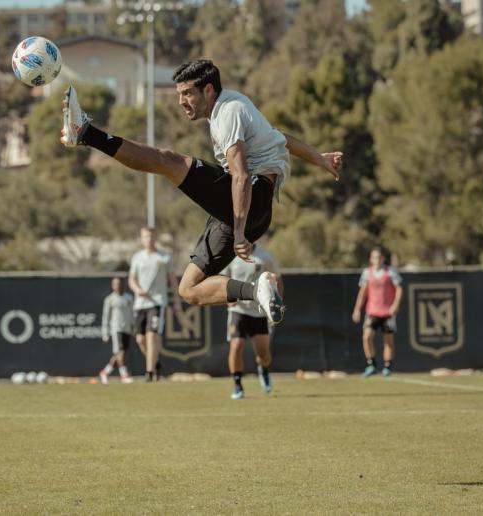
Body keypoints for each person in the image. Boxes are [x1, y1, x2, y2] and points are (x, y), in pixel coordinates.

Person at [60, 59, 342, 324]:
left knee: (169, 161)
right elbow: (281, 138)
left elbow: (241, 175)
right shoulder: (233, 106)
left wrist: (240, 231)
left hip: (248, 200)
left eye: (187, 93)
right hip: (251, 211)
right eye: (179, 94)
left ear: (208, 90)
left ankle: (86, 133)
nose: (181, 101)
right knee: (189, 288)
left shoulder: (228, 112)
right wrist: (320, 158)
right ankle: (258, 292)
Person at [222, 244, 282, 400]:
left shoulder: (264, 256)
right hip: (238, 310)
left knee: (263, 353)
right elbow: (222, 280)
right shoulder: (231, 256)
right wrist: (228, 300)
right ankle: (237, 385)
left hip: (259, 310)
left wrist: (276, 304)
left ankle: (264, 369)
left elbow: (277, 279)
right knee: (236, 346)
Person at [128, 226, 180, 382]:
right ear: (141, 239)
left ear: (155, 238)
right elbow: (132, 279)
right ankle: (155, 363)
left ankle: (149, 373)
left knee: (152, 337)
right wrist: (137, 289)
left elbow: (172, 281)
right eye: (145, 237)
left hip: (157, 302)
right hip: (140, 303)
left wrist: (176, 301)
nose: (148, 239)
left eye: (151, 236)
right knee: (140, 340)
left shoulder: (164, 257)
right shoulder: (137, 257)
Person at [351, 246, 403, 377]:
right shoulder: (367, 273)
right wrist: (357, 309)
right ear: (370, 259)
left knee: (388, 340)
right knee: (367, 336)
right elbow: (363, 293)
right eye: (374, 257)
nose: (377, 260)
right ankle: (371, 364)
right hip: (372, 311)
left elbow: (399, 289)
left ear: (383, 258)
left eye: (379, 257)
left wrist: (395, 305)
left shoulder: (390, 271)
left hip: (388, 312)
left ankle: (387, 366)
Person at [99, 277, 135, 384]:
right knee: (120, 352)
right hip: (116, 329)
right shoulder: (109, 299)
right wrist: (105, 332)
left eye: (119, 283)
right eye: (115, 284)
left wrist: (133, 326)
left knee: (119, 354)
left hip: (127, 329)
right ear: (112, 286)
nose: (117, 286)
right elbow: (106, 317)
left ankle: (105, 372)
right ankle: (124, 375)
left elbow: (132, 314)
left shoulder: (128, 298)